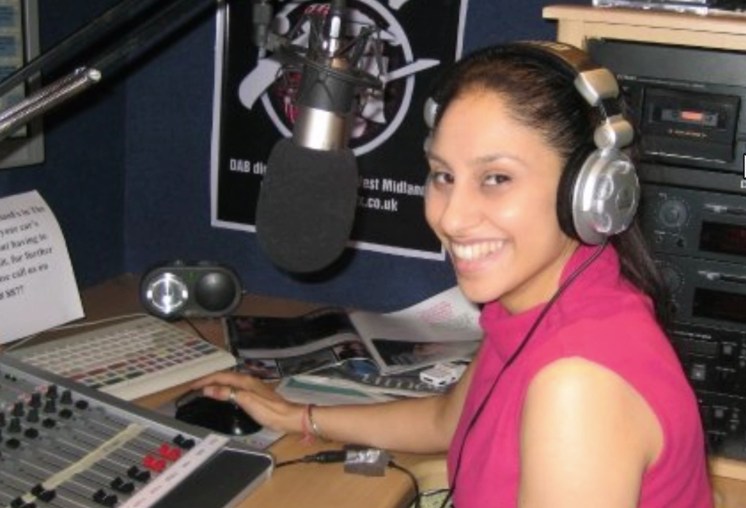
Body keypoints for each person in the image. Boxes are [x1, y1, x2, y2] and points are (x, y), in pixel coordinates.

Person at [194, 40, 713, 508]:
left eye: (496, 178)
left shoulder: (577, 385)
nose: (451, 216)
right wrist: (298, 416)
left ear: (590, 193)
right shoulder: (546, 301)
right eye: (443, 175)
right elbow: (446, 419)